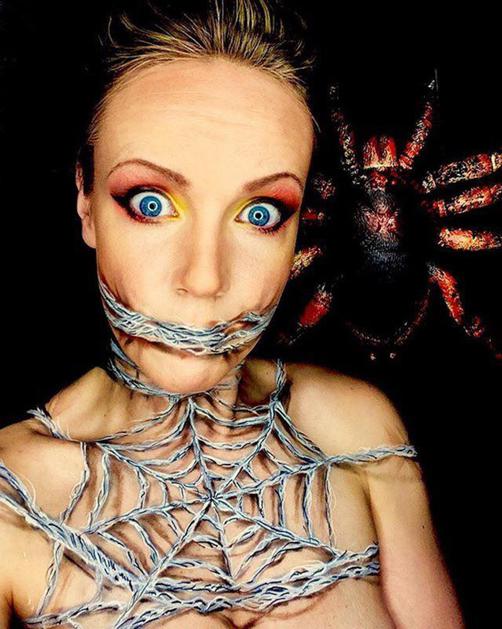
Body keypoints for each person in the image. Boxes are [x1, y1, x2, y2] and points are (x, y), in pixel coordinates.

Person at [0, 1, 464, 627]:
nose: (205, 279)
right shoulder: (11, 501)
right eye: (151, 203)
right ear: (85, 200)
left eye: (260, 214)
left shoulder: (358, 429)